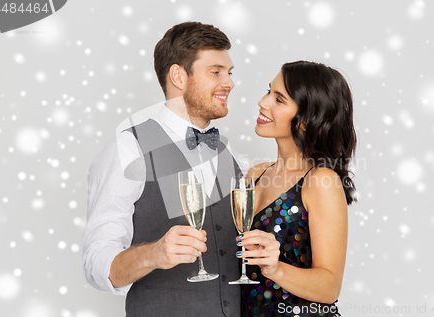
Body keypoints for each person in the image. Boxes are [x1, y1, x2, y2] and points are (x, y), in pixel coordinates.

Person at [82, 22, 244, 316]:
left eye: (229, 73)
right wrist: (154, 254)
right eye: (216, 71)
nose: (229, 83)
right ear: (178, 76)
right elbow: (96, 264)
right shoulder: (126, 150)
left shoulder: (229, 152)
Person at [238, 61, 357, 317]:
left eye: (279, 99)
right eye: (269, 91)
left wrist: (275, 269)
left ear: (305, 120)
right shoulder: (256, 174)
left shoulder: (320, 181)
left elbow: (329, 287)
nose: (263, 102)